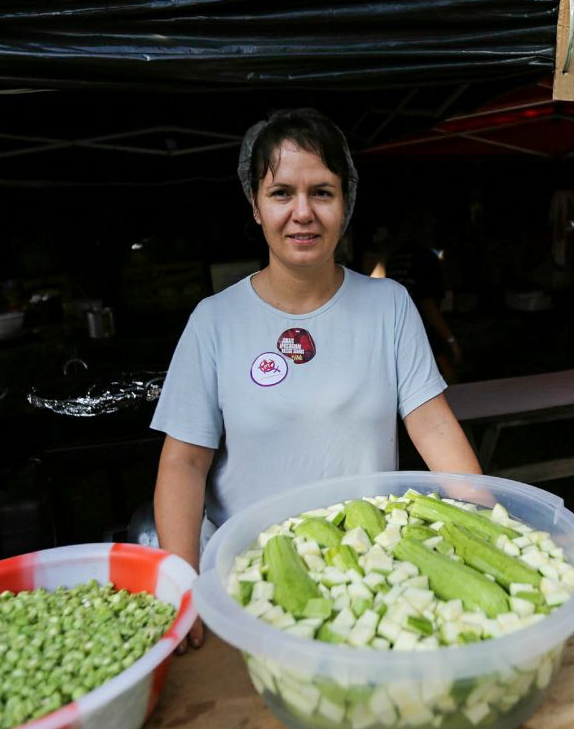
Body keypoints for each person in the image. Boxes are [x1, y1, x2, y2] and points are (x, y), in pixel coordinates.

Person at [150, 109, 481, 648]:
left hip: (373, 579)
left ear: (345, 203)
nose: (302, 213)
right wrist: (181, 588)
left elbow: (434, 428)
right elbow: (184, 462)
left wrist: (487, 527)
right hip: (249, 588)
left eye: (322, 192)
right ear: (255, 205)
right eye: (282, 193)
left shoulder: (388, 305)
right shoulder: (214, 321)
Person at [379, 211, 462, 382]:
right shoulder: (425, 258)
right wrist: (451, 340)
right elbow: (428, 304)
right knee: (446, 384)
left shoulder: (396, 257)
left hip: (396, 332)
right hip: (421, 332)